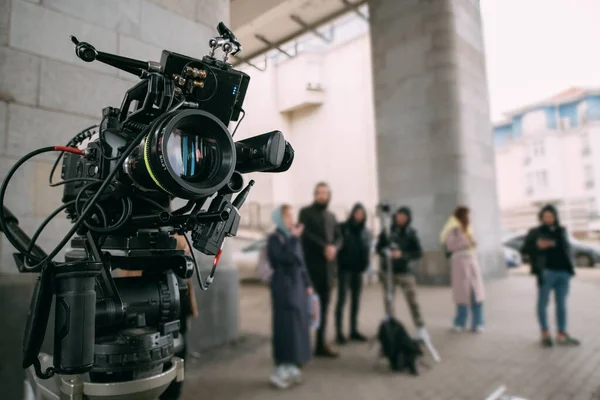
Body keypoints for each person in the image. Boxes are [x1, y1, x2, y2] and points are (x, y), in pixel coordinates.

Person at [118, 233, 198, 400]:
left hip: (175, 309)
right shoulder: (138, 233)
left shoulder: (177, 234)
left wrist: (189, 312)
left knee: (176, 356)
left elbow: (186, 280)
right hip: (145, 306)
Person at [267, 204, 314, 389]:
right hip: (284, 287)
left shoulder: (293, 238)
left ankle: (293, 364)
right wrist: (294, 239)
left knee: (298, 325)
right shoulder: (275, 238)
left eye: (291, 216)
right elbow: (280, 259)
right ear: (279, 218)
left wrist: (308, 284)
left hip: (298, 287)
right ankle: (282, 367)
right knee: (285, 326)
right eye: (287, 216)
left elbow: (301, 262)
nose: (291, 220)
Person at [521, 204, 580, 347]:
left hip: (563, 273)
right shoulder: (535, 232)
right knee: (542, 303)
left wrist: (570, 269)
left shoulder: (561, 231)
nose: (548, 218)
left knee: (561, 305)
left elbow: (567, 249)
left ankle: (561, 333)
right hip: (546, 273)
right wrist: (537, 246)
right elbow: (524, 249)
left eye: (551, 216)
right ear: (541, 218)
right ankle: (545, 333)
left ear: (555, 217)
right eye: (545, 216)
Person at [299, 182, 343, 358]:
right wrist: (325, 247)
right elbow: (304, 234)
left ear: (329, 195)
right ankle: (301, 345)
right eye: (319, 193)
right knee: (307, 308)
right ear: (314, 194)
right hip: (311, 268)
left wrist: (334, 248)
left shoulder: (331, 216)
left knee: (324, 309)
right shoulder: (306, 212)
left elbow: (339, 237)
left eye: (324, 193)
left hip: (328, 270)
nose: (322, 196)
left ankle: (320, 345)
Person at [375, 207, 427, 338]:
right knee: (389, 302)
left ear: (408, 218)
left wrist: (402, 255)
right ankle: (390, 329)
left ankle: (420, 328)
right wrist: (386, 253)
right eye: (399, 215)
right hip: (389, 272)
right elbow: (378, 248)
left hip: (405, 273)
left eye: (404, 216)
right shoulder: (387, 231)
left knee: (413, 301)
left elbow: (418, 252)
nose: (401, 218)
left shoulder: (411, 233)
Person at [440, 206, 485, 333]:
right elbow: (450, 246)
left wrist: (472, 242)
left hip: (472, 260)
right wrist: (467, 242)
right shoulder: (452, 229)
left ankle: (478, 323)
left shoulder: (468, 228)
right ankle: (460, 322)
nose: (469, 217)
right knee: (462, 294)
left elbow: (472, 243)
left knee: (476, 293)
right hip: (459, 261)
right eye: (467, 214)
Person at [335, 203, 371, 344]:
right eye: (357, 212)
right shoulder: (343, 227)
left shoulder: (364, 231)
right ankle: (339, 333)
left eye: (362, 213)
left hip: (358, 270)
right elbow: (337, 244)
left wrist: (366, 264)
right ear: (352, 213)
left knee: (356, 301)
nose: (359, 215)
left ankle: (353, 330)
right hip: (345, 270)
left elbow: (367, 248)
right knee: (342, 300)